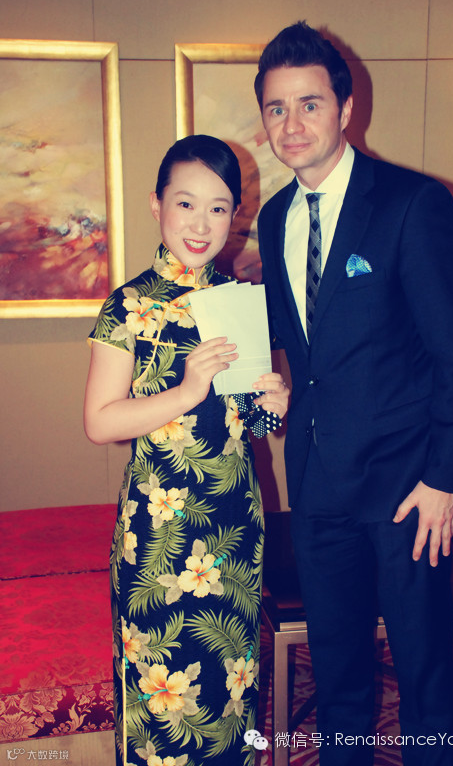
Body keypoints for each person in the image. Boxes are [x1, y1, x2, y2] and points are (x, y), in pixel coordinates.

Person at [254, 22, 453, 765]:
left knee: (423, 671)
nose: (292, 124)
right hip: (317, 484)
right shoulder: (272, 218)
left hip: (407, 488)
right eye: (276, 108)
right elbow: (302, 347)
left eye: (310, 104)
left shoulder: (412, 204)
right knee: (337, 672)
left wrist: (444, 481)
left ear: (346, 108)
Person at [84, 134, 289, 766]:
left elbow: (248, 423)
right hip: (160, 537)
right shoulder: (128, 306)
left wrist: (273, 403)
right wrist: (186, 390)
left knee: (231, 693)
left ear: (235, 217)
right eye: (186, 204)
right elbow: (100, 422)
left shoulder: (238, 300)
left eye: (218, 208)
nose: (201, 225)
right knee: (162, 708)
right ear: (157, 205)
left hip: (233, 525)